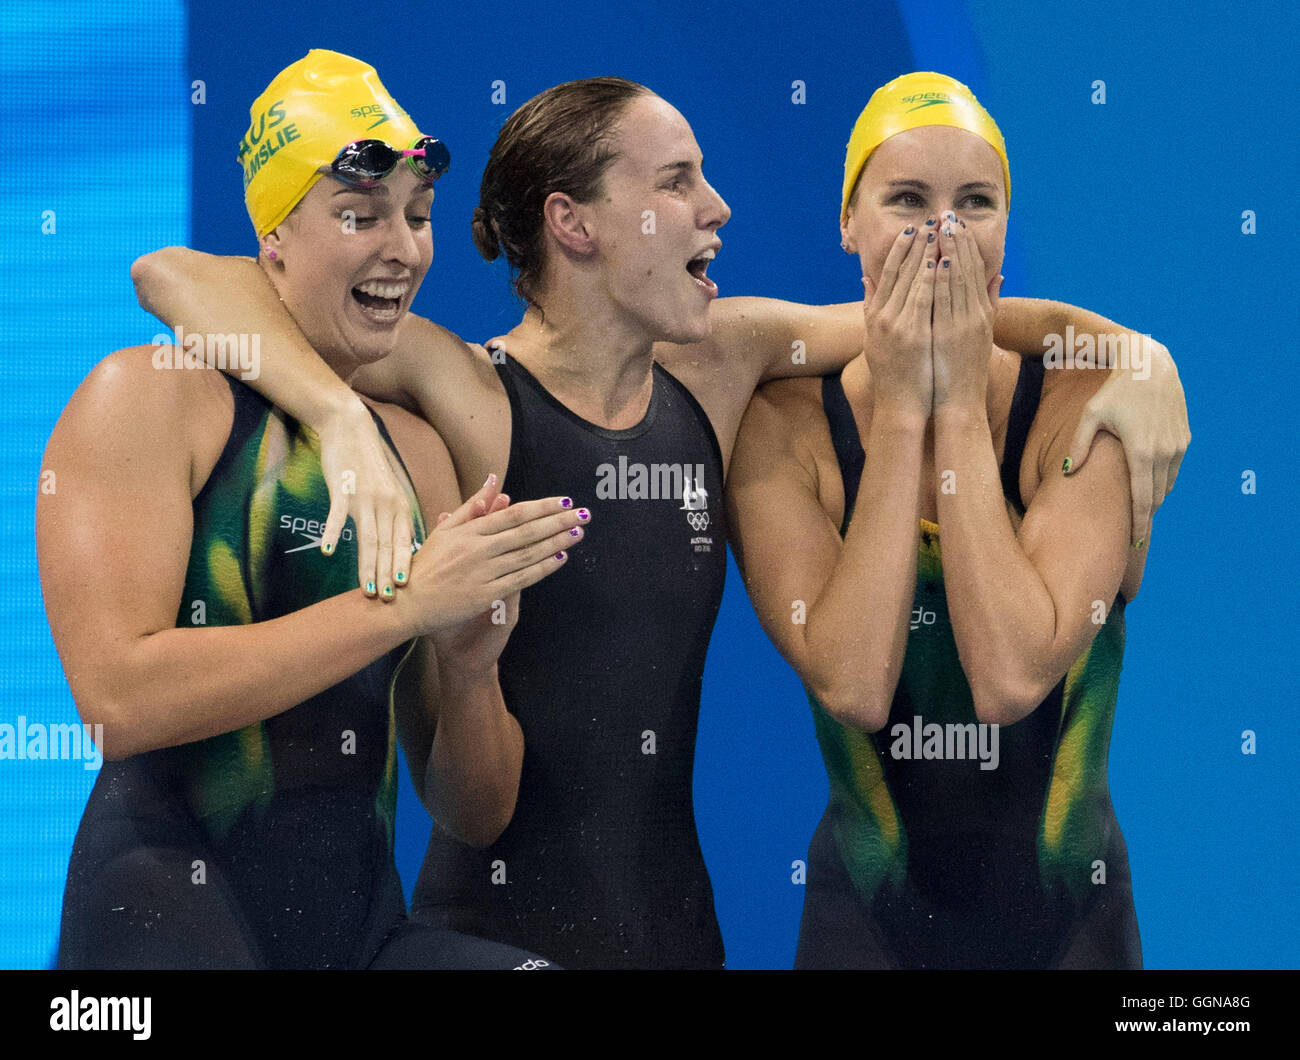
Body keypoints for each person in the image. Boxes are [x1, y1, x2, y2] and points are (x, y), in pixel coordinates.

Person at [130, 76, 1188, 968]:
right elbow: (175, 274)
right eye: (677, 181)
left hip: (683, 939)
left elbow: (938, 296)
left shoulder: (718, 366)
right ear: (573, 222)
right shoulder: (467, 389)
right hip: (493, 930)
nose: (716, 207)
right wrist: (333, 415)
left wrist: (1137, 356)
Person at [40, 50, 582, 970]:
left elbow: (470, 810)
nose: (402, 248)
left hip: (358, 933)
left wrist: (470, 663)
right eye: (358, 216)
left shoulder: (416, 451)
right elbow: (117, 700)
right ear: (275, 237)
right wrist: (404, 608)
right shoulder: (150, 395)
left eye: (417, 217)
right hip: (165, 917)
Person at [726, 72, 1157, 969]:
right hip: (864, 928)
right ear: (849, 223)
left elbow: (1009, 678)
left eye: (976, 202)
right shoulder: (784, 430)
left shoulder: (1090, 407)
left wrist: (956, 402)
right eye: (907, 201)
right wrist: (902, 412)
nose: (944, 232)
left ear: (1005, 228)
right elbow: (851, 684)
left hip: (1073, 933)